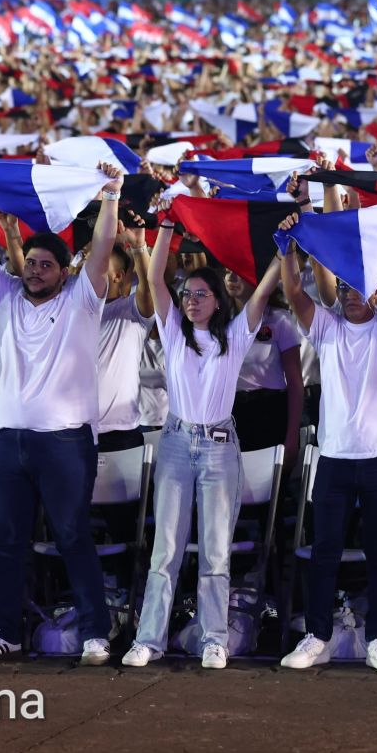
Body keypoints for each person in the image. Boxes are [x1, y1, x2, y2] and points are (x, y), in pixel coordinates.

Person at [0, 163, 125, 666]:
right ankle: (7, 632)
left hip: (64, 442)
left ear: (63, 272)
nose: (34, 270)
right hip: (9, 440)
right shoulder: (6, 295)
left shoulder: (83, 299)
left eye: (45, 265)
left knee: (73, 535)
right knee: (8, 541)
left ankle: (97, 633)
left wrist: (112, 196)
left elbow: (101, 250)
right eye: (30, 263)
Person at [277, 213, 377, 673]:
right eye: (343, 288)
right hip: (336, 459)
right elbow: (294, 293)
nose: (349, 294)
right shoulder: (327, 328)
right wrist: (287, 250)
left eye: (357, 288)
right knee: (324, 551)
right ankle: (318, 636)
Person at [121, 224, 281, 669]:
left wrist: (284, 245)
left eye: (200, 295)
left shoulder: (235, 336)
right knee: (165, 549)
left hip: (218, 448)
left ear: (217, 300)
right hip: (175, 443)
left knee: (215, 550)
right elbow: (154, 280)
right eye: (187, 294)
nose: (191, 301)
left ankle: (215, 638)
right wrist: (167, 228)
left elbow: (266, 290)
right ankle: (149, 639)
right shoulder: (172, 331)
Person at [222, 267, 304, 463]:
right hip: (229, 413)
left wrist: (292, 436)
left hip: (269, 412)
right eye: (227, 271)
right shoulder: (219, 320)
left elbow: (295, 382)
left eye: (238, 270)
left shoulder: (279, 319)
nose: (232, 277)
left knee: (269, 489)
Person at [96, 230, 155, 452]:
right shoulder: (73, 310)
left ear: (118, 276)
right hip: (73, 430)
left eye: (101, 264)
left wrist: (139, 248)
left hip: (120, 434)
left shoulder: (131, 311)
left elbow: (149, 286)